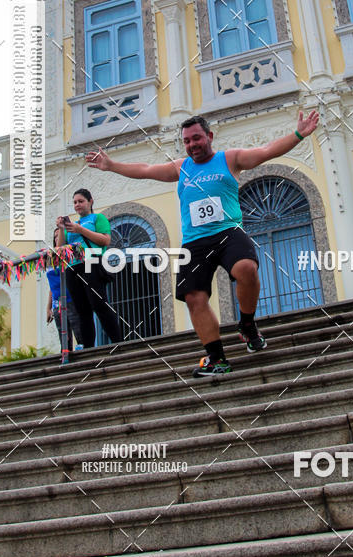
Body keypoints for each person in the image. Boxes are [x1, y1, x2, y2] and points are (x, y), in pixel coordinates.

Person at [87, 110, 319, 375]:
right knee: (193, 297)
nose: (192, 144)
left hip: (228, 231)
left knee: (246, 268)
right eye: (187, 141)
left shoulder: (229, 159)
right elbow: (146, 170)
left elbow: (266, 151)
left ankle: (246, 325)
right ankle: (217, 358)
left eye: (196, 138)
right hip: (195, 241)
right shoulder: (181, 167)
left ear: (209, 136)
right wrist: (111, 165)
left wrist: (299, 134)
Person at [56, 189, 122, 348]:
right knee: (82, 311)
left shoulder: (97, 218)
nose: (77, 205)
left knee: (99, 305)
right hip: (73, 267)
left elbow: (105, 240)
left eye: (81, 201)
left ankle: (118, 342)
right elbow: (60, 249)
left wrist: (81, 230)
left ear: (90, 201)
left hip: (91, 263)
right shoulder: (74, 224)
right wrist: (62, 229)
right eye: (75, 202)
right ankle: (88, 348)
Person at [46, 228, 84, 352]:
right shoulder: (50, 259)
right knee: (63, 336)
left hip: (72, 297)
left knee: (78, 329)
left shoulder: (71, 256)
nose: (57, 238)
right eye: (55, 236)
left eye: (60, 235)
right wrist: (48, 308)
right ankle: (66, 357)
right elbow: (51, 287)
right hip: (57, 301)